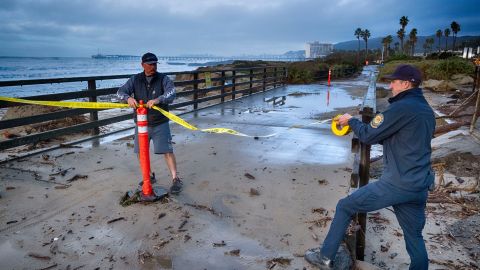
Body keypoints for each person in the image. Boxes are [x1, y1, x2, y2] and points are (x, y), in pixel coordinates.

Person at [305, 64, 435, 270]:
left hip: (397, 184)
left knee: (345, 206)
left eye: (394, 81)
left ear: (406, 83)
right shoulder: (426, 110)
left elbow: (367, 135)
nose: (390, 85)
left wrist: (352, 121)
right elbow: (404, 140)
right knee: (415, 238)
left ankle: (325, 257)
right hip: (420, 185)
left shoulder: (401, 107)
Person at [117, 52, 183, 194]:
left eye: (155, 64)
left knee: (168, 151)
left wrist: (158, 99)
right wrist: (128, 98)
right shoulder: (135, 79)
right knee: (140, 152)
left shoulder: (163, 79)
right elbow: (120, 92)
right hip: (141, 124)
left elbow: (172, 93)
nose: (153, 66)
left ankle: (175, 178)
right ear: (142, 65)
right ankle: (149, 175)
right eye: (150, 64)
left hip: (160, 122)